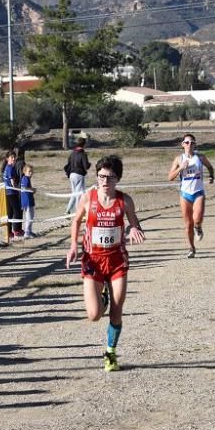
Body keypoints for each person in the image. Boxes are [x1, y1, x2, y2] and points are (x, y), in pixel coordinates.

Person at [66, 155, 145, 372]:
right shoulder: (88, 198)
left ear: (117, 178)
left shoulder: (125, 200)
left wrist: (135, 229)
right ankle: (103, 298)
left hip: (117, 261)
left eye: (109, 177)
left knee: (117, 311)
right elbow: (76, 220)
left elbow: (134, 224)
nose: (104, 181)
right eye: (101, 176)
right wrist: (73, 245)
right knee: (93, 315)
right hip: (93, 261)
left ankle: (110, 353)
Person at [167, 133, 215, 258]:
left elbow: (210, 167)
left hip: (198, 192)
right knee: (188, 224)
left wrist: (211, 176)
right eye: (187, 142)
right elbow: (170, 177)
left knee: (197, 219)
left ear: (195, 144)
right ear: (182, 144)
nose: (189, 144)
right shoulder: (179, 159)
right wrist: (180, 168)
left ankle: (198, 228)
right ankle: (191, 248)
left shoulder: (200, 157)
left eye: (192, 142)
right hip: (185, 194)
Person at [64, 137, 90, 214]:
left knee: (74, 193)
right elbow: (86, 166)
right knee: (79, 194)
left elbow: (68, 164)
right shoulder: (83, 154)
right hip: (79, 175)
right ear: (84, 144)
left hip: (72, 175)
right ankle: (78, 212)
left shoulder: (72, 153)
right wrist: (89, 164)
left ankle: (68, 210)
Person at [2, 150, 23, 238]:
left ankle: (9, 232)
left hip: (7, 192)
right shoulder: (10, 167)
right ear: (7, 159)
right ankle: (17, 230)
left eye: (14, 157)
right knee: (17, 210)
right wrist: (18, 188)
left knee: (9, 213)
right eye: (12, 157)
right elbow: (12, 180)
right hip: (11, 192)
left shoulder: (7, 167)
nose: (14, 159)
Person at [20, 163, 36, 238]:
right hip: (27, 202)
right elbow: (26, 188)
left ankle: (29, 231)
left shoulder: (26, 179)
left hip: (29, 201)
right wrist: (32, 189)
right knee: (29, 217)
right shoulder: (25, 178)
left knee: (31, 217)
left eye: (32, 171)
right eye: (29, 171)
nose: (31, 173)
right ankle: (27, 233)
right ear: (25, 172)